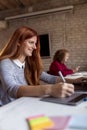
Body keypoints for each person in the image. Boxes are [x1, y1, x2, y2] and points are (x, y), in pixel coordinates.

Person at [0, 26, 85, 106]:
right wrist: (50, 89)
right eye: (31, 42)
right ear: (18, 42)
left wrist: (74, 81)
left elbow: (50, 78)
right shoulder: (5, 62)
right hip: (9, 109)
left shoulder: (29, 64)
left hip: (24, 104)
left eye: (35, 43)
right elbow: (12, 89)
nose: (35, 47)